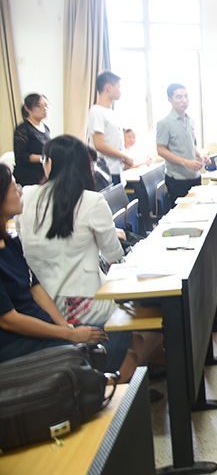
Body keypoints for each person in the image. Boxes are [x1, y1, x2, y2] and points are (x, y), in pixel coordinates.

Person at [17, 135, 162, 382]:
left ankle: (132, 371)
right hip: (80, 303)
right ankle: (119, 378)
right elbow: (114, 257)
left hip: (40, 302)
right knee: (156, 309)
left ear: (49, 163)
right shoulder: (92, 201)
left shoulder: (27, 195)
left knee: (137, 337)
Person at [0, 163, 109, 364]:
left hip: (43, 328)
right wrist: (69, 335)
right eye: (14, 188)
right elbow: (8, 320)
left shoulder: (10, 242)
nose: (20, 193)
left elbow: (35, 288)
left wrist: (66, 328)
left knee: (126, 341)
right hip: (16, 343)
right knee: (112, 348)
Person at [156, 84, 211, 210]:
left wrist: (200, 155)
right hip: (177, 179)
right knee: (181, 213)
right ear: (169, 99)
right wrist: (186, 162)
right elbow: (160, 150)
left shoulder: (190, 120)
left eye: (186, 96)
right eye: (179, 97)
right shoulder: (164, 123)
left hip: (194, 176)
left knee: (196, 211)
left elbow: (190, 143)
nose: (184, 100)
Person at [87, 71, 133, 185]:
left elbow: (114, 142)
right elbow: (99, 144)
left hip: (117, 169)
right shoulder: (97, 112)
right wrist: (123, 156)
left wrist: (123, 159)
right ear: (109, 87)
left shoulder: (111, 112)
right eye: (118, 86)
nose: (120, 91)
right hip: (106, 171)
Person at [13, 93, 52, 187]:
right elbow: (20, 155)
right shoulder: (23, 129)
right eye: (39, 106)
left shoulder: (46, 128)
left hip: (44, 173)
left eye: (46, 105)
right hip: (28, 175)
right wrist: (42, 158)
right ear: (27, 109)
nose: (45, 109)